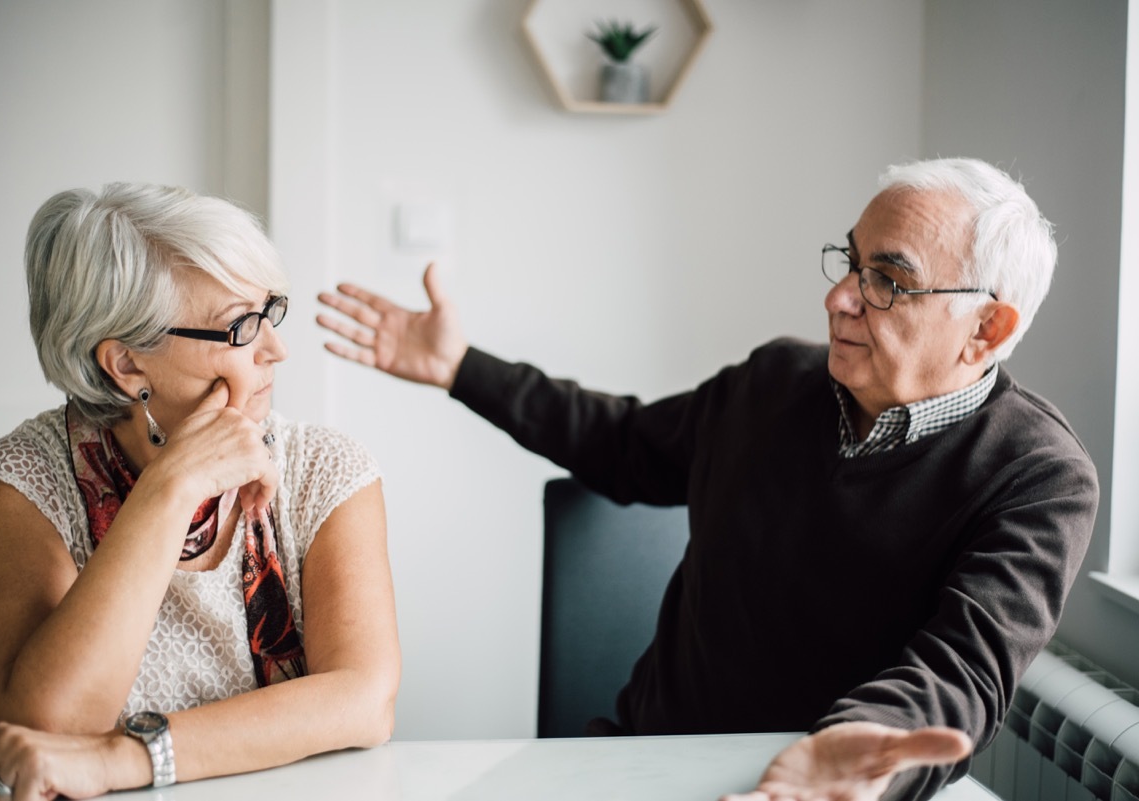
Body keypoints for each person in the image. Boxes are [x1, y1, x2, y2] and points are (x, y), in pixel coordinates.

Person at [315, 157, 1098, 801]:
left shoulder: (1040, 476)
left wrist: (856, 750)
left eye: (888, 279)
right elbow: (620, 442)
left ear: (988, 328)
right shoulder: (775, 380)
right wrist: (460, 367)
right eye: (850, 261)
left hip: (823, 788)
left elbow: (960, 669)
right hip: (639, 764)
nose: (839, 297)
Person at [0, 183, 400, 801]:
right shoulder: (20, 482)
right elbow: (48, 725)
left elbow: (362, 700)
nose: (277, 349)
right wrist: (173, 483)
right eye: (243, 325)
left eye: (272, 312)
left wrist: (122, 759)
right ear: (127, 364)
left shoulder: (325, 468)